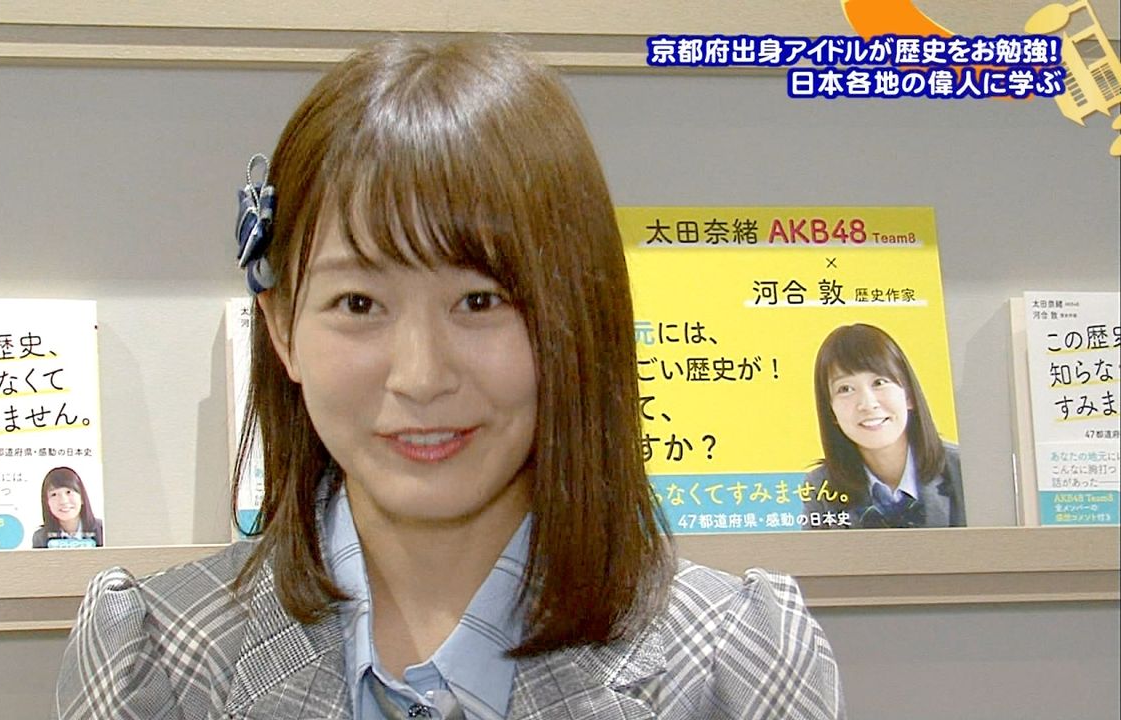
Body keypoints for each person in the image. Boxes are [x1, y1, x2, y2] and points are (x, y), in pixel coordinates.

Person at [55, 36, 843, 719]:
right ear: (282, 330)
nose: (421, 376)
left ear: (575, 318)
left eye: (480, 300)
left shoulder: (733, 665)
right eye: (358, 303)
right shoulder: (158, 662)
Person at [804, 323, 965, 529]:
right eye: (845, 389)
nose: (867, 404)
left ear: (908, 395)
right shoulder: (821, 486)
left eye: (879, 382)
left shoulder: (963, 470)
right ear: (831, 411)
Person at [32, 466, 104, 548]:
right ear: (47, 503)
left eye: (68, 492)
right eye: (54, 494)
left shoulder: (103, 530)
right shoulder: (40, 537)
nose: (63, 501)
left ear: (82, 498)